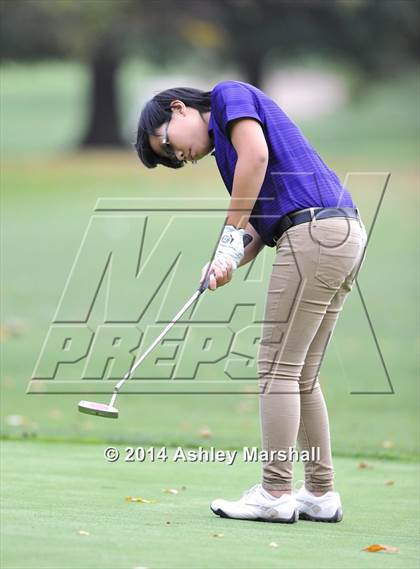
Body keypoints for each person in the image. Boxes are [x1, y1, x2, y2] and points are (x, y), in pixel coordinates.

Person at [135, 80, 368, 524]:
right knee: (300, 374)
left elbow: (257, 158)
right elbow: (263, 221)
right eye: (170, 160)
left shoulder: (228, 96)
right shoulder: (228, 154)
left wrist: (226, 237)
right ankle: (319, 493)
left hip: (315, 235)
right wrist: (227, 261)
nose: (177, 156)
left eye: (168, 144)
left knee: (277, 368)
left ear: (179, 109)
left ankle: (275, 491)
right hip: (339, 234)